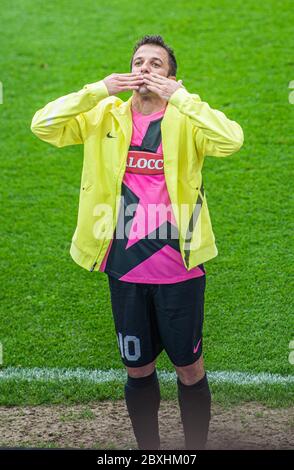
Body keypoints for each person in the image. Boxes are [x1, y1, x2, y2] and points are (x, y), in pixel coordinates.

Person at [31, 34, 244, 450]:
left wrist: (183, 98)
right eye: (139, 62)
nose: (145, 68)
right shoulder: (104, 114)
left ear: (171, 78)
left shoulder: (186, 119)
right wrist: (96, 90)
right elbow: (43, 125)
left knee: (190, 369)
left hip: (179, 267)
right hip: (124, 267)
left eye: (156, 64)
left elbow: (231, 139)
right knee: (138, 370)